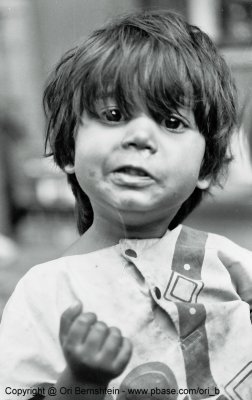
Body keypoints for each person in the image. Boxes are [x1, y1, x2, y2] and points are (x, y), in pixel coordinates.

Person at [0, 10, 252, 400]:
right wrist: (80, 384)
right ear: (68, 149)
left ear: (207, 166)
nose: (140, 136)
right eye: (114, 115)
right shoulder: (48, 293)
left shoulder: (232, 269)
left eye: (171, 122)